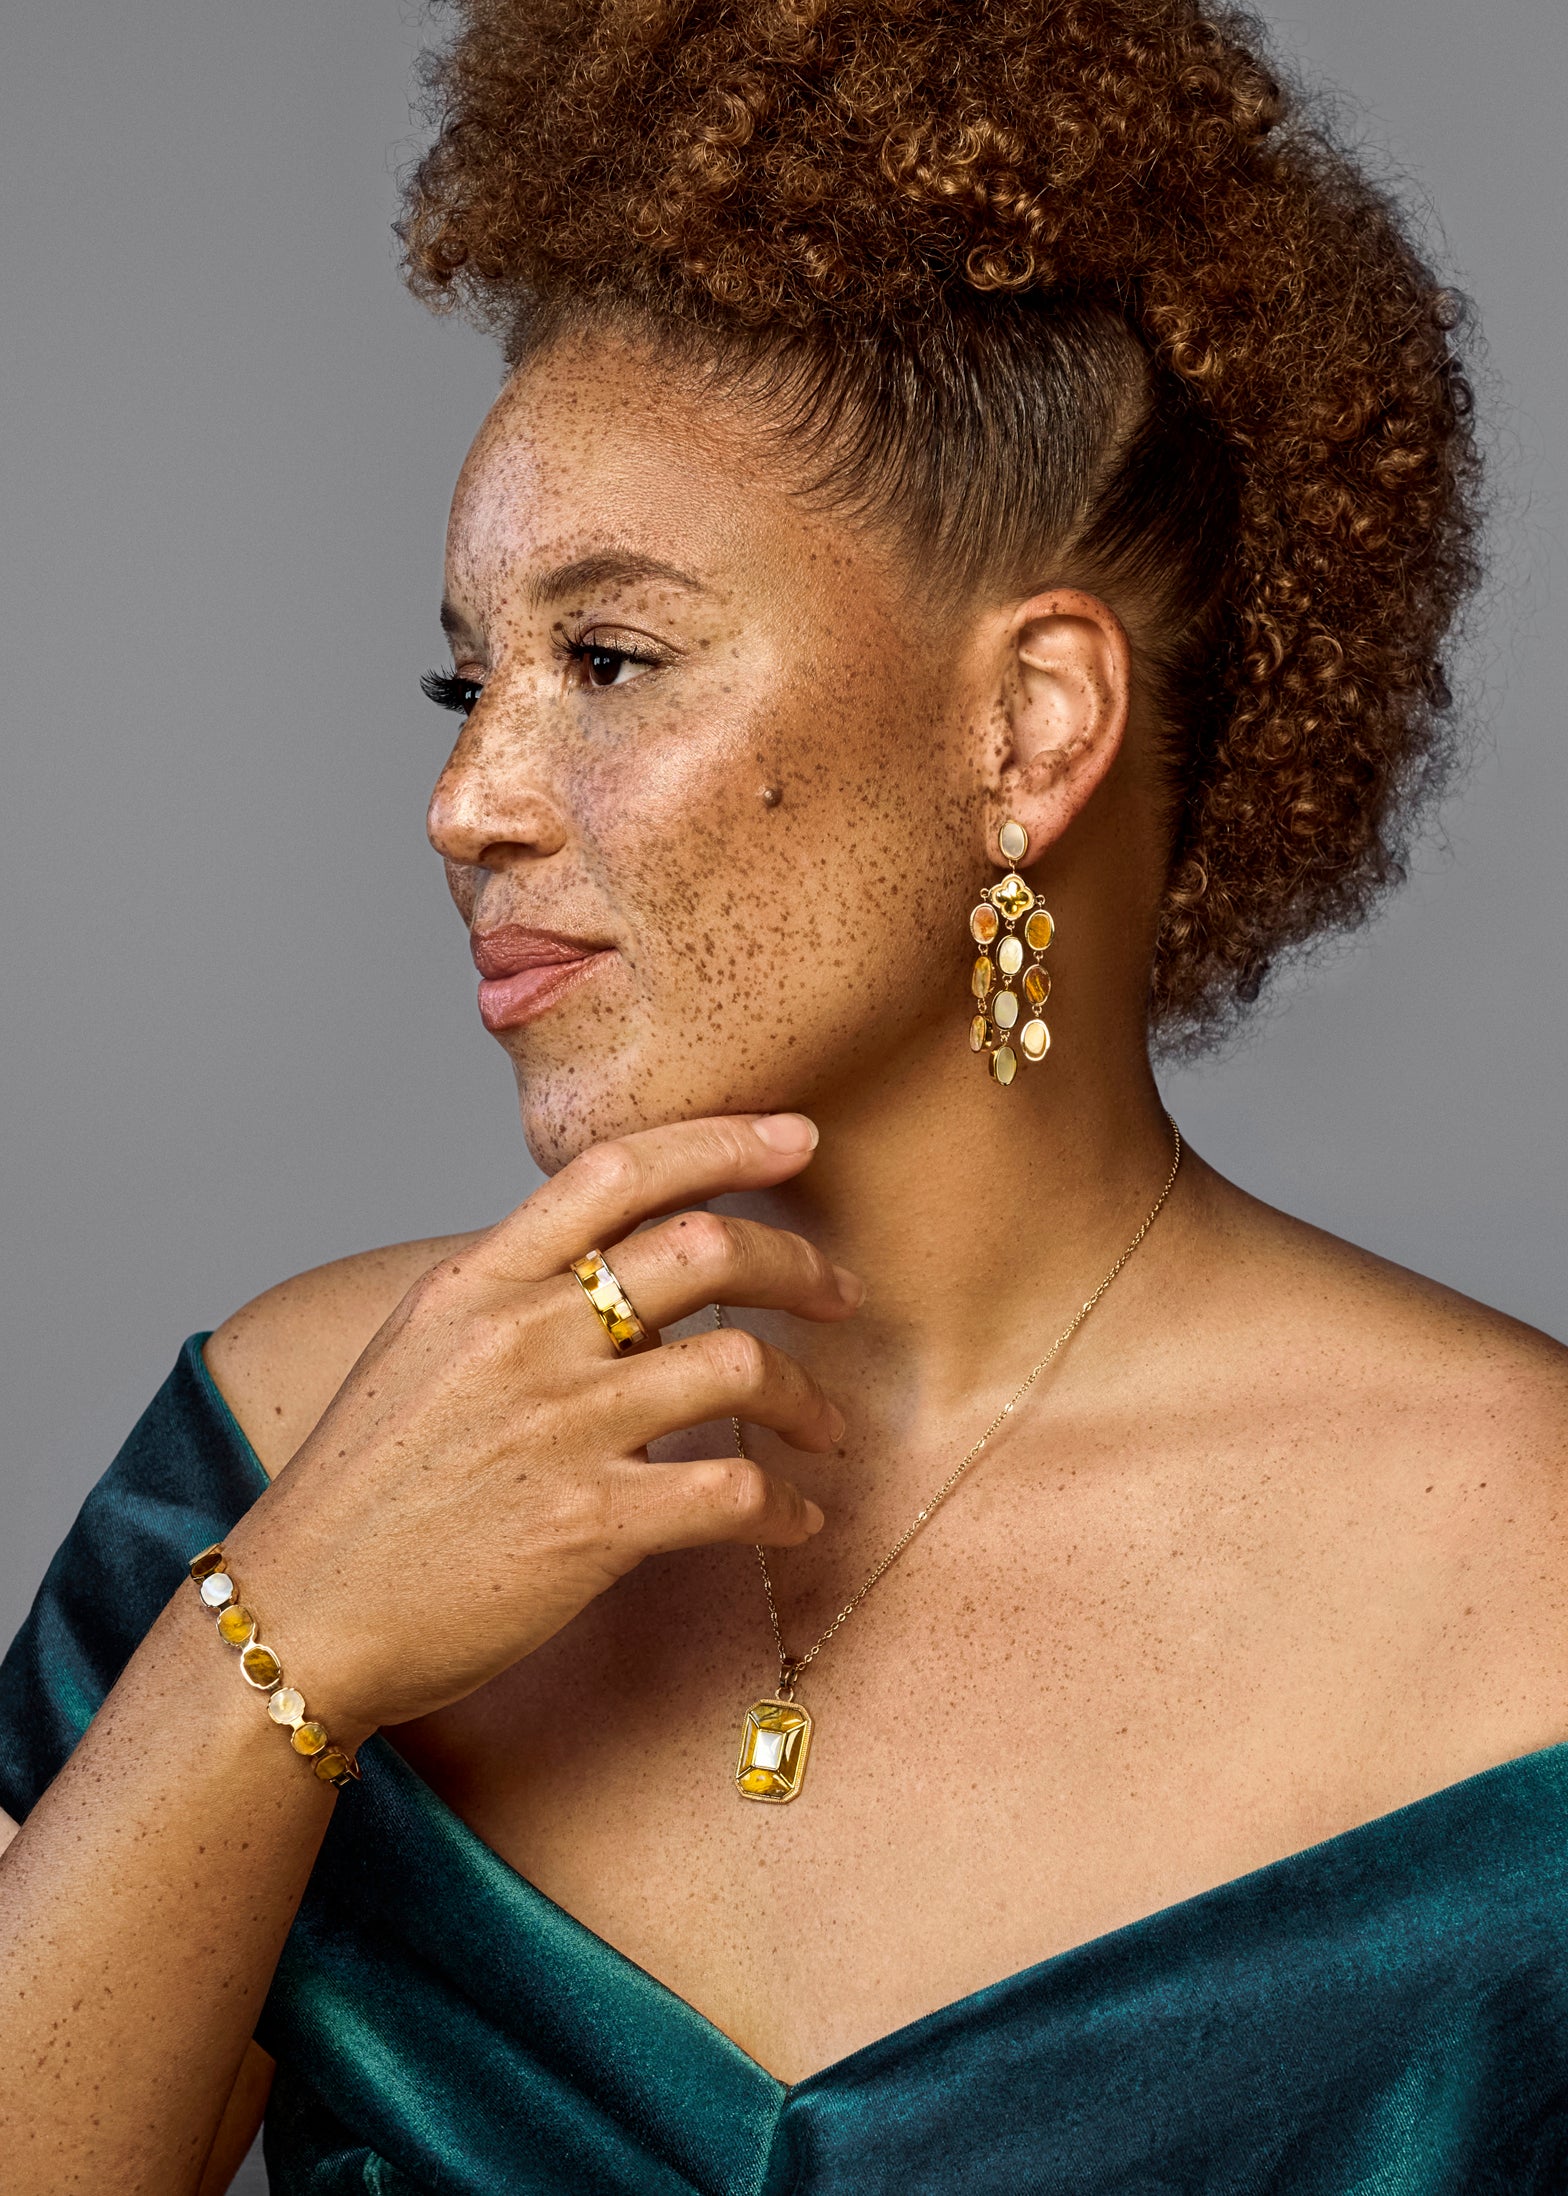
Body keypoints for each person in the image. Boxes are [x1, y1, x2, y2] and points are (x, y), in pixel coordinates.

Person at [3, 1, 1564, 2189]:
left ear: (1031, 727)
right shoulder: (298, 1438)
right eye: (467, 678)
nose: (465, 801)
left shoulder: (1530, 1584)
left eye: (607, 660)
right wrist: (280, 1647)